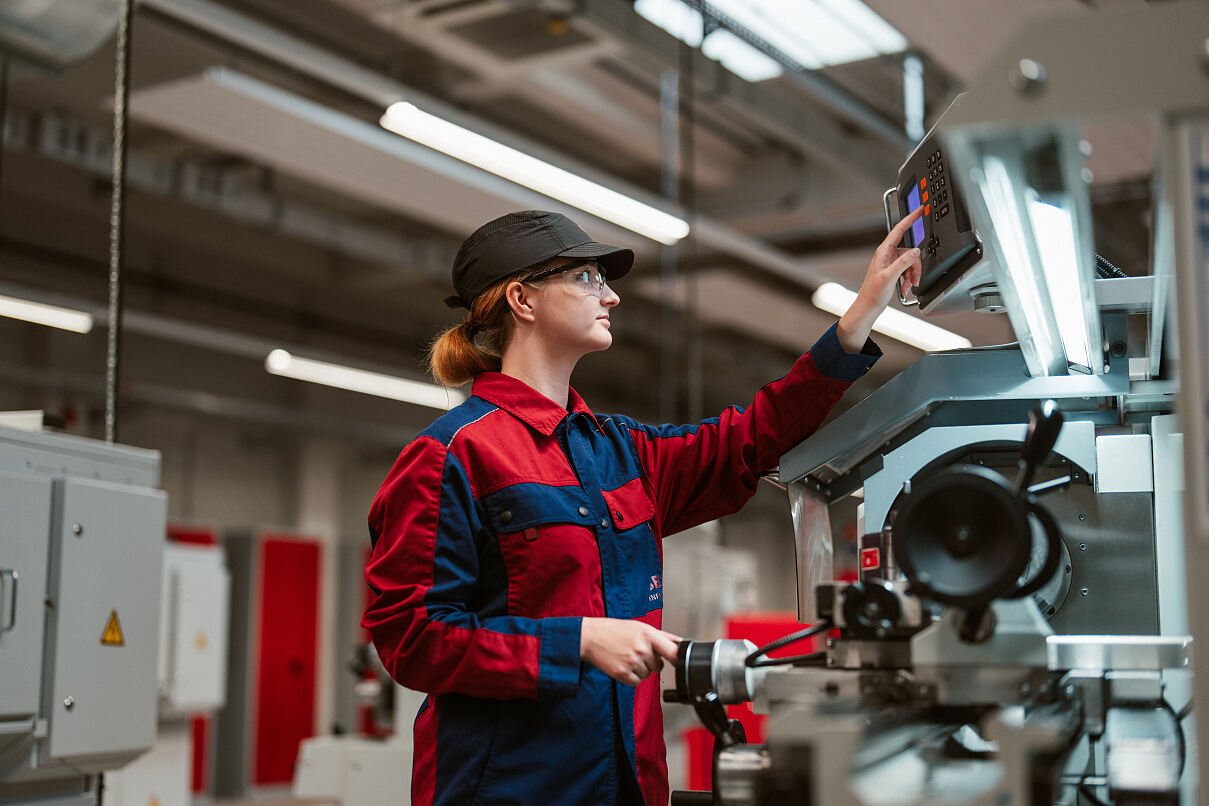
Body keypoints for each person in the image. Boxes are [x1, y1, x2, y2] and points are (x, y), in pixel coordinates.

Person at [362, 207, 924, 806]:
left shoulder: (624, 452)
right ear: (523, 300)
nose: (610, 297)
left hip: (630, 783)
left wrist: (860, 314)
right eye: (586, 278)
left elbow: (751, 438)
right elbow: (413, 639)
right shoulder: (450, 456)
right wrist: (576, 641)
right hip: (514, 789)